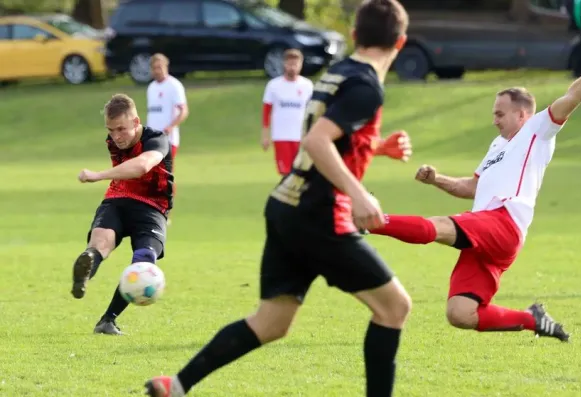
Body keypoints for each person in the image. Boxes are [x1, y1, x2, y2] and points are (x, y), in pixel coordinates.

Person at [144, 1, 412, 396]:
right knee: (395, 308)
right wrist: (358, 194)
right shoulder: (367, 85)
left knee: (271, 322)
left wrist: (377, 147)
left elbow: (331, 136)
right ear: (401, 42)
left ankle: (176, 385)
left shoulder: (338, 72)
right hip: (319, 214)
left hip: (286, 206)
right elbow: (318, 141)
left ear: (355, 35)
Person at [367, 44, 581, 343]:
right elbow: (473, 188)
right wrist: (437, 179)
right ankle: (533, 319)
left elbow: (572, 95)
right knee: (460, 313)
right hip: (484, 231)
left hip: (504, 223)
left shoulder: (538, 130)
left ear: (522, 114)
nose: (495, 120)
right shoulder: (496, 146)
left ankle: (370, 220)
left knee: (435, 228)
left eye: (500, 114)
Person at [72, 93, 174, 335]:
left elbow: (141, 165)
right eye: (111, 130)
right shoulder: (114, 138)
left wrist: (98, 175)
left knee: (144, 258)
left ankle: (108, 319)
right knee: (99, 245)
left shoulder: (157, 139)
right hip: (117, 200)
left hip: (151, 207)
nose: (115, 136)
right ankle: (87, 266)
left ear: (136, 122)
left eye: (121, 129)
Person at [146, 53, 188, 224]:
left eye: (160, 67)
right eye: (154, 68)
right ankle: (154, 209)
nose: (158, 71)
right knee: (150, 175)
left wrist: (171, 126)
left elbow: (183, 110)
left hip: (168, 140)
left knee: (165, 175)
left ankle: (166, 211)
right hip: (152, 139)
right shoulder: (151, 88)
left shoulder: (174, 86)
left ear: (166, 67)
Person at [261, 48, 314, 175]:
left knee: (302, 171)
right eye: (290, 64)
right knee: (285, 172)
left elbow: (312, 111)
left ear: (301, 64)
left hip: (301, 136)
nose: (292, 67)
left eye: (295, 64)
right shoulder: (274, 85)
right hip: (281, 135)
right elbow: (266, 111)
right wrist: (265, 135)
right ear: (284, 64)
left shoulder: (307, 85)